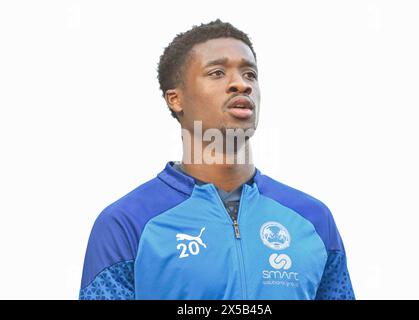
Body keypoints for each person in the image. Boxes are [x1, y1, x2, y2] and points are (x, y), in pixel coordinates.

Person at [79, 19, 355, 300]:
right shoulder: (127, 223)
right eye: (218, 72)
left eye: (250, 74)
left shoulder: (313, 219)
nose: (240, 84)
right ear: (175, 99)